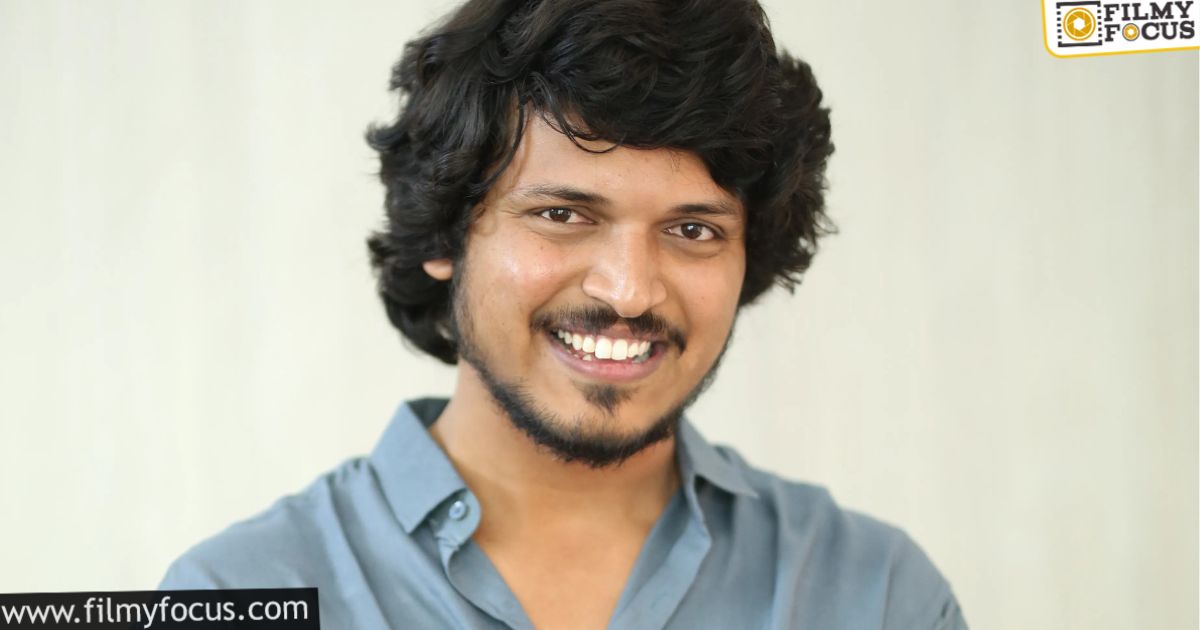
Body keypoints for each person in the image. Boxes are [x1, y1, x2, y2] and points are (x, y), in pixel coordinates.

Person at [161, 0, 968, 628]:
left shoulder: (876, 595)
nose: (629, 291)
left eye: (693, 230)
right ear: (443, 232)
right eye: (563, 215)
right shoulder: (232, 596)